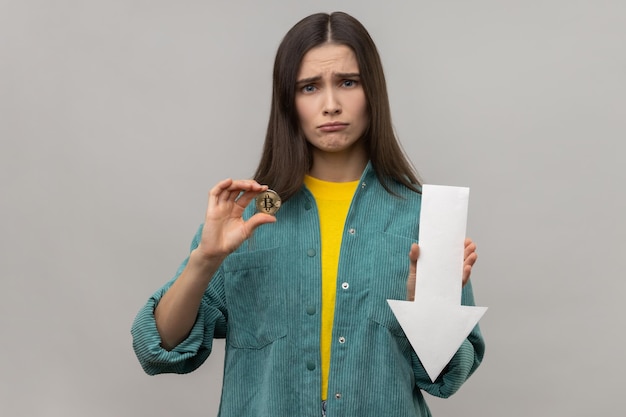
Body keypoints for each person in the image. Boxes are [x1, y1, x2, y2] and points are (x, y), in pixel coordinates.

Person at [131, 11, 484, 417]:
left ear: (373, 92)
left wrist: (427, 310)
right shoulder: (248, 218)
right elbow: (157, 350)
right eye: (310, 87)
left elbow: (448, 379)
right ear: (289, 101)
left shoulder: (426, 218)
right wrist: (204, 261)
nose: (331, 105)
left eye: (348, 83)